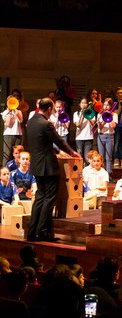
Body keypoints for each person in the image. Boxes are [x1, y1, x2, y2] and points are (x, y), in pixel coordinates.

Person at [24, 98, 80, 242]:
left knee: (40, 198)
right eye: (53, 109)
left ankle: (32, 232)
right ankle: (42, 232)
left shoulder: (30, 122)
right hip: (48, 167)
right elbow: (59, 141)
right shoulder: (46, 124)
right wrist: (72, 152)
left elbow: (44, 142)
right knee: (49, 199)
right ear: (49, 108)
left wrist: (57, 152)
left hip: (36, 165)